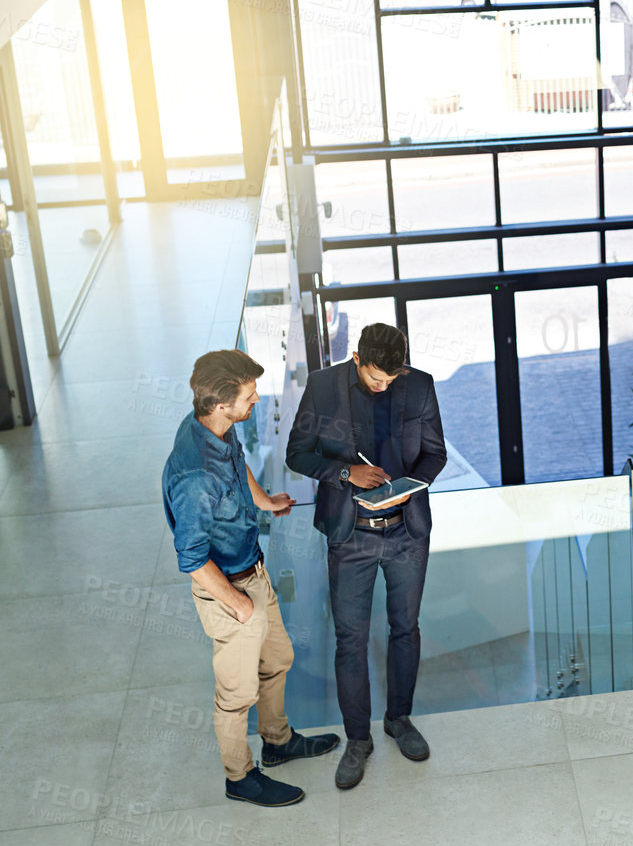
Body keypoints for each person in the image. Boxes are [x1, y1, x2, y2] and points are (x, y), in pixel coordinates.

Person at [162, 350, 338, 808]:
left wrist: (262, 500)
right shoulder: (195, 476)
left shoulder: (215, 428)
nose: (258, 398)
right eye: (249, 394)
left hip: (251, 570)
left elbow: (237, 465)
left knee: (278, 658)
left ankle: (277, 743)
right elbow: (191, 557)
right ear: (220, 404)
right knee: (236, 694)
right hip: (228, 589)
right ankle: (239, 777)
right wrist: (238, 605)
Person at [286, 323, 447, 790]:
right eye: (377, 378)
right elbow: (299, 453)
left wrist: (409, 488)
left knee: (406, 630)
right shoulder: (322, 387)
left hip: (407, 532)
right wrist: (345, 474)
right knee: (350, 642)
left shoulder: (419, 385)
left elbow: (434, 454)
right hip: (350, 536)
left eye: (392, 378)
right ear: (356, 358)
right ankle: (358, 740)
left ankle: (399, 719)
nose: (385, 385)